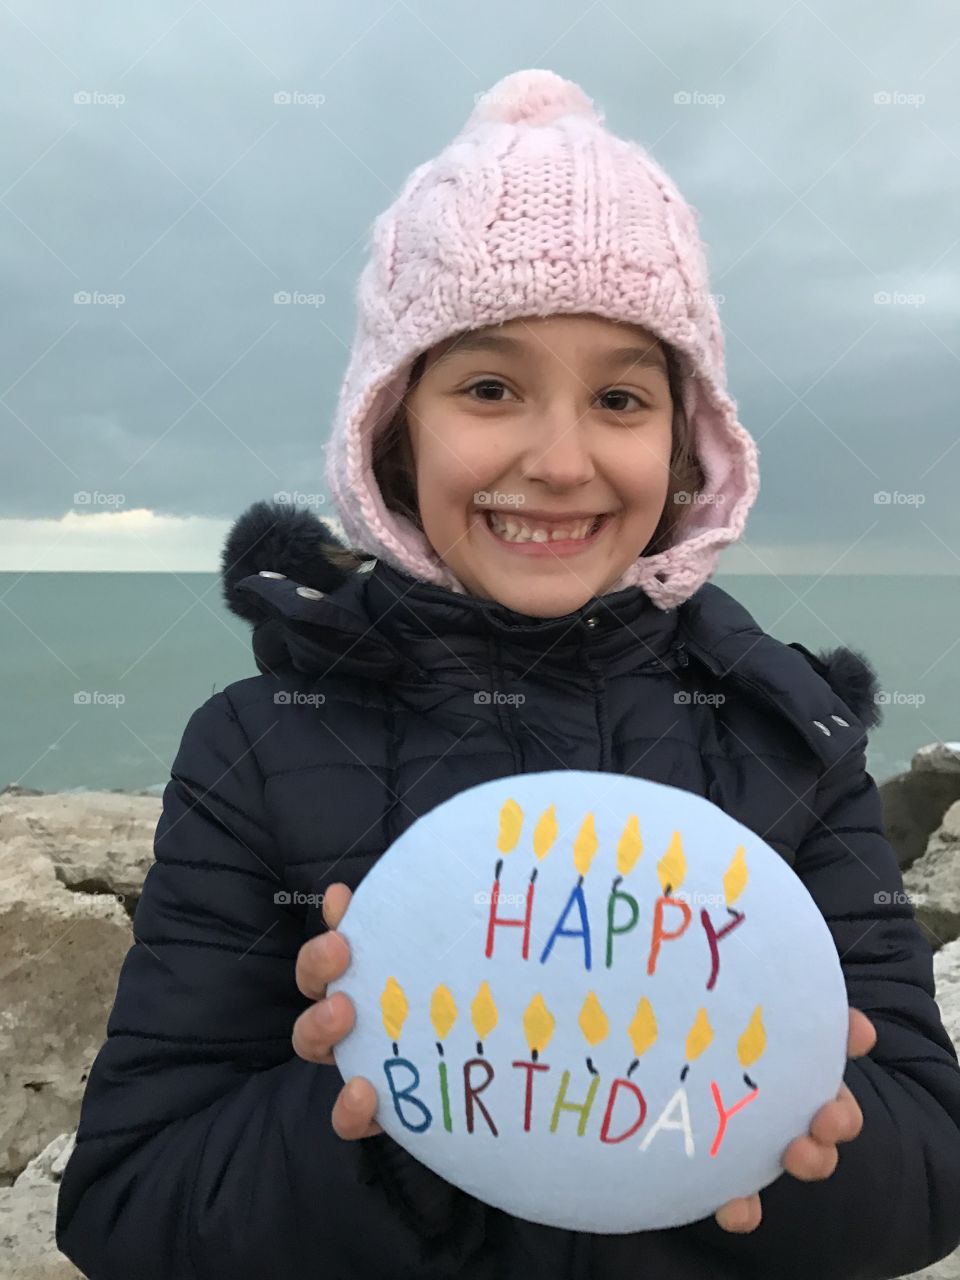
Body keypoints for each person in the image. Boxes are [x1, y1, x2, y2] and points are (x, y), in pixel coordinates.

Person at [56, 68, 960, 1280]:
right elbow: (128, 1203)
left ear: (684, 445)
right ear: (394, 428)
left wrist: (795, 1146)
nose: (559, 457)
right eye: (489, 386)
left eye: (622, 396)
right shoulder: (257, 747)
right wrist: (380, 1110)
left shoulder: (790, 740)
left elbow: (933, 1163)